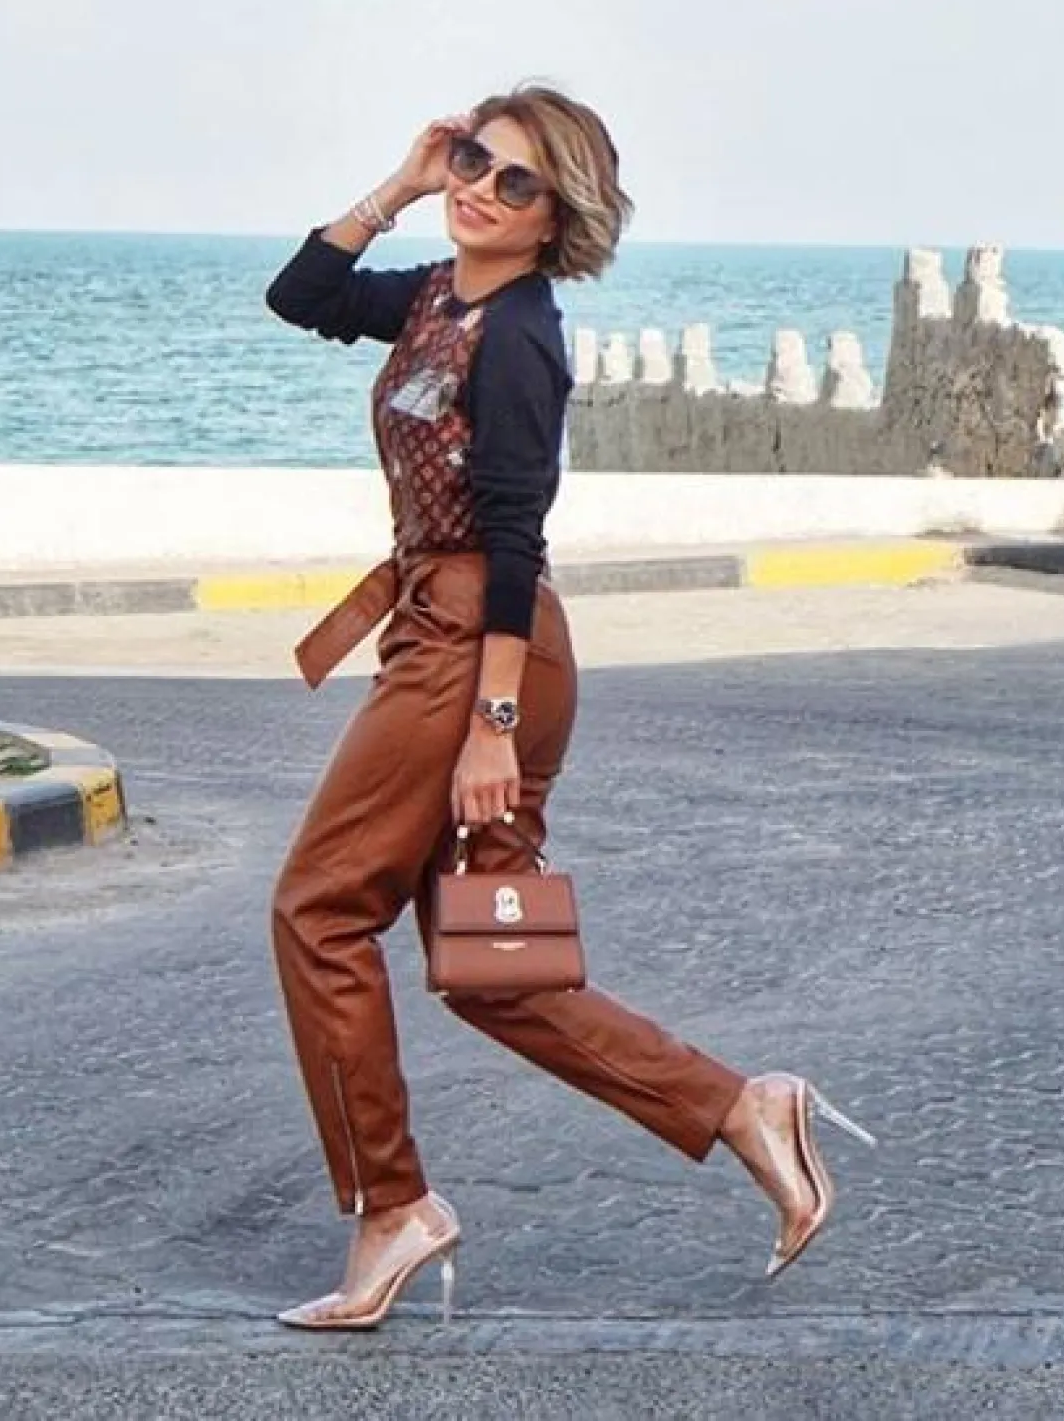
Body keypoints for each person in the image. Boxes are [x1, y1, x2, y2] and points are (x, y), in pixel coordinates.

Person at [265, 84, 875, 1331]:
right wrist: (400, 184)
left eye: (515, 182)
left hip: (480, 645)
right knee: (491, 967)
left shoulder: (522, 338)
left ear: (557, 219)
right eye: (473, 161)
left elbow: (514, 535)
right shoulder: (434, 296)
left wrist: (490, 726)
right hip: (450, 632)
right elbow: (303, 294)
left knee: (320, 910)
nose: (482, 189)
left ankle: (394, 1207)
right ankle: (744, 1108)